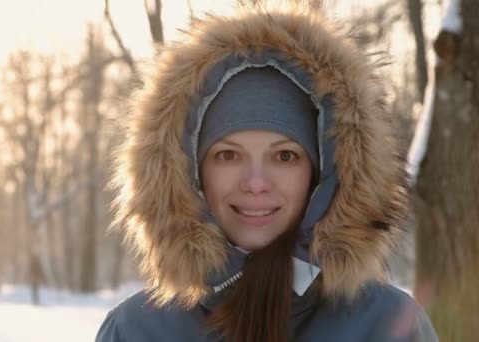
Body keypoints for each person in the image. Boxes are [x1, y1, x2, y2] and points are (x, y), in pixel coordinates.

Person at [97, 3, 438, 341]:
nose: (256, 183)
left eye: (285, 156)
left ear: (321, 174)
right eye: (228, 155)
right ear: (191, 174)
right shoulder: (134, 331)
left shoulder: (389, 326)